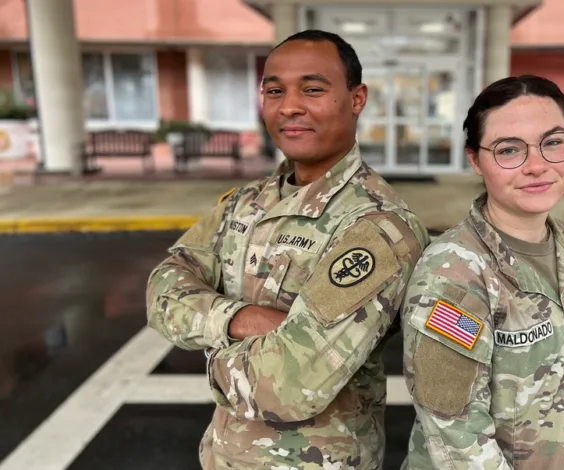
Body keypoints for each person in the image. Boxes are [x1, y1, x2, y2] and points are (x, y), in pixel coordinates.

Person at [146, 29, 429, 469]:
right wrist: (239, 319)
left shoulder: (379, 227)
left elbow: (290, 383)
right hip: (223, 456)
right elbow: (163, 287)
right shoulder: (245, 202)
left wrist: (207, 344)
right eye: (274, 91)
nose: (290, 105)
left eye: (312, 89)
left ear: (357, 99)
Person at [400, 75, 564, 469]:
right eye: (510, 150)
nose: (537, 166)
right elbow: (456, 432)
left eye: (554, 142)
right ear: (475, 159)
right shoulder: (453, 273)